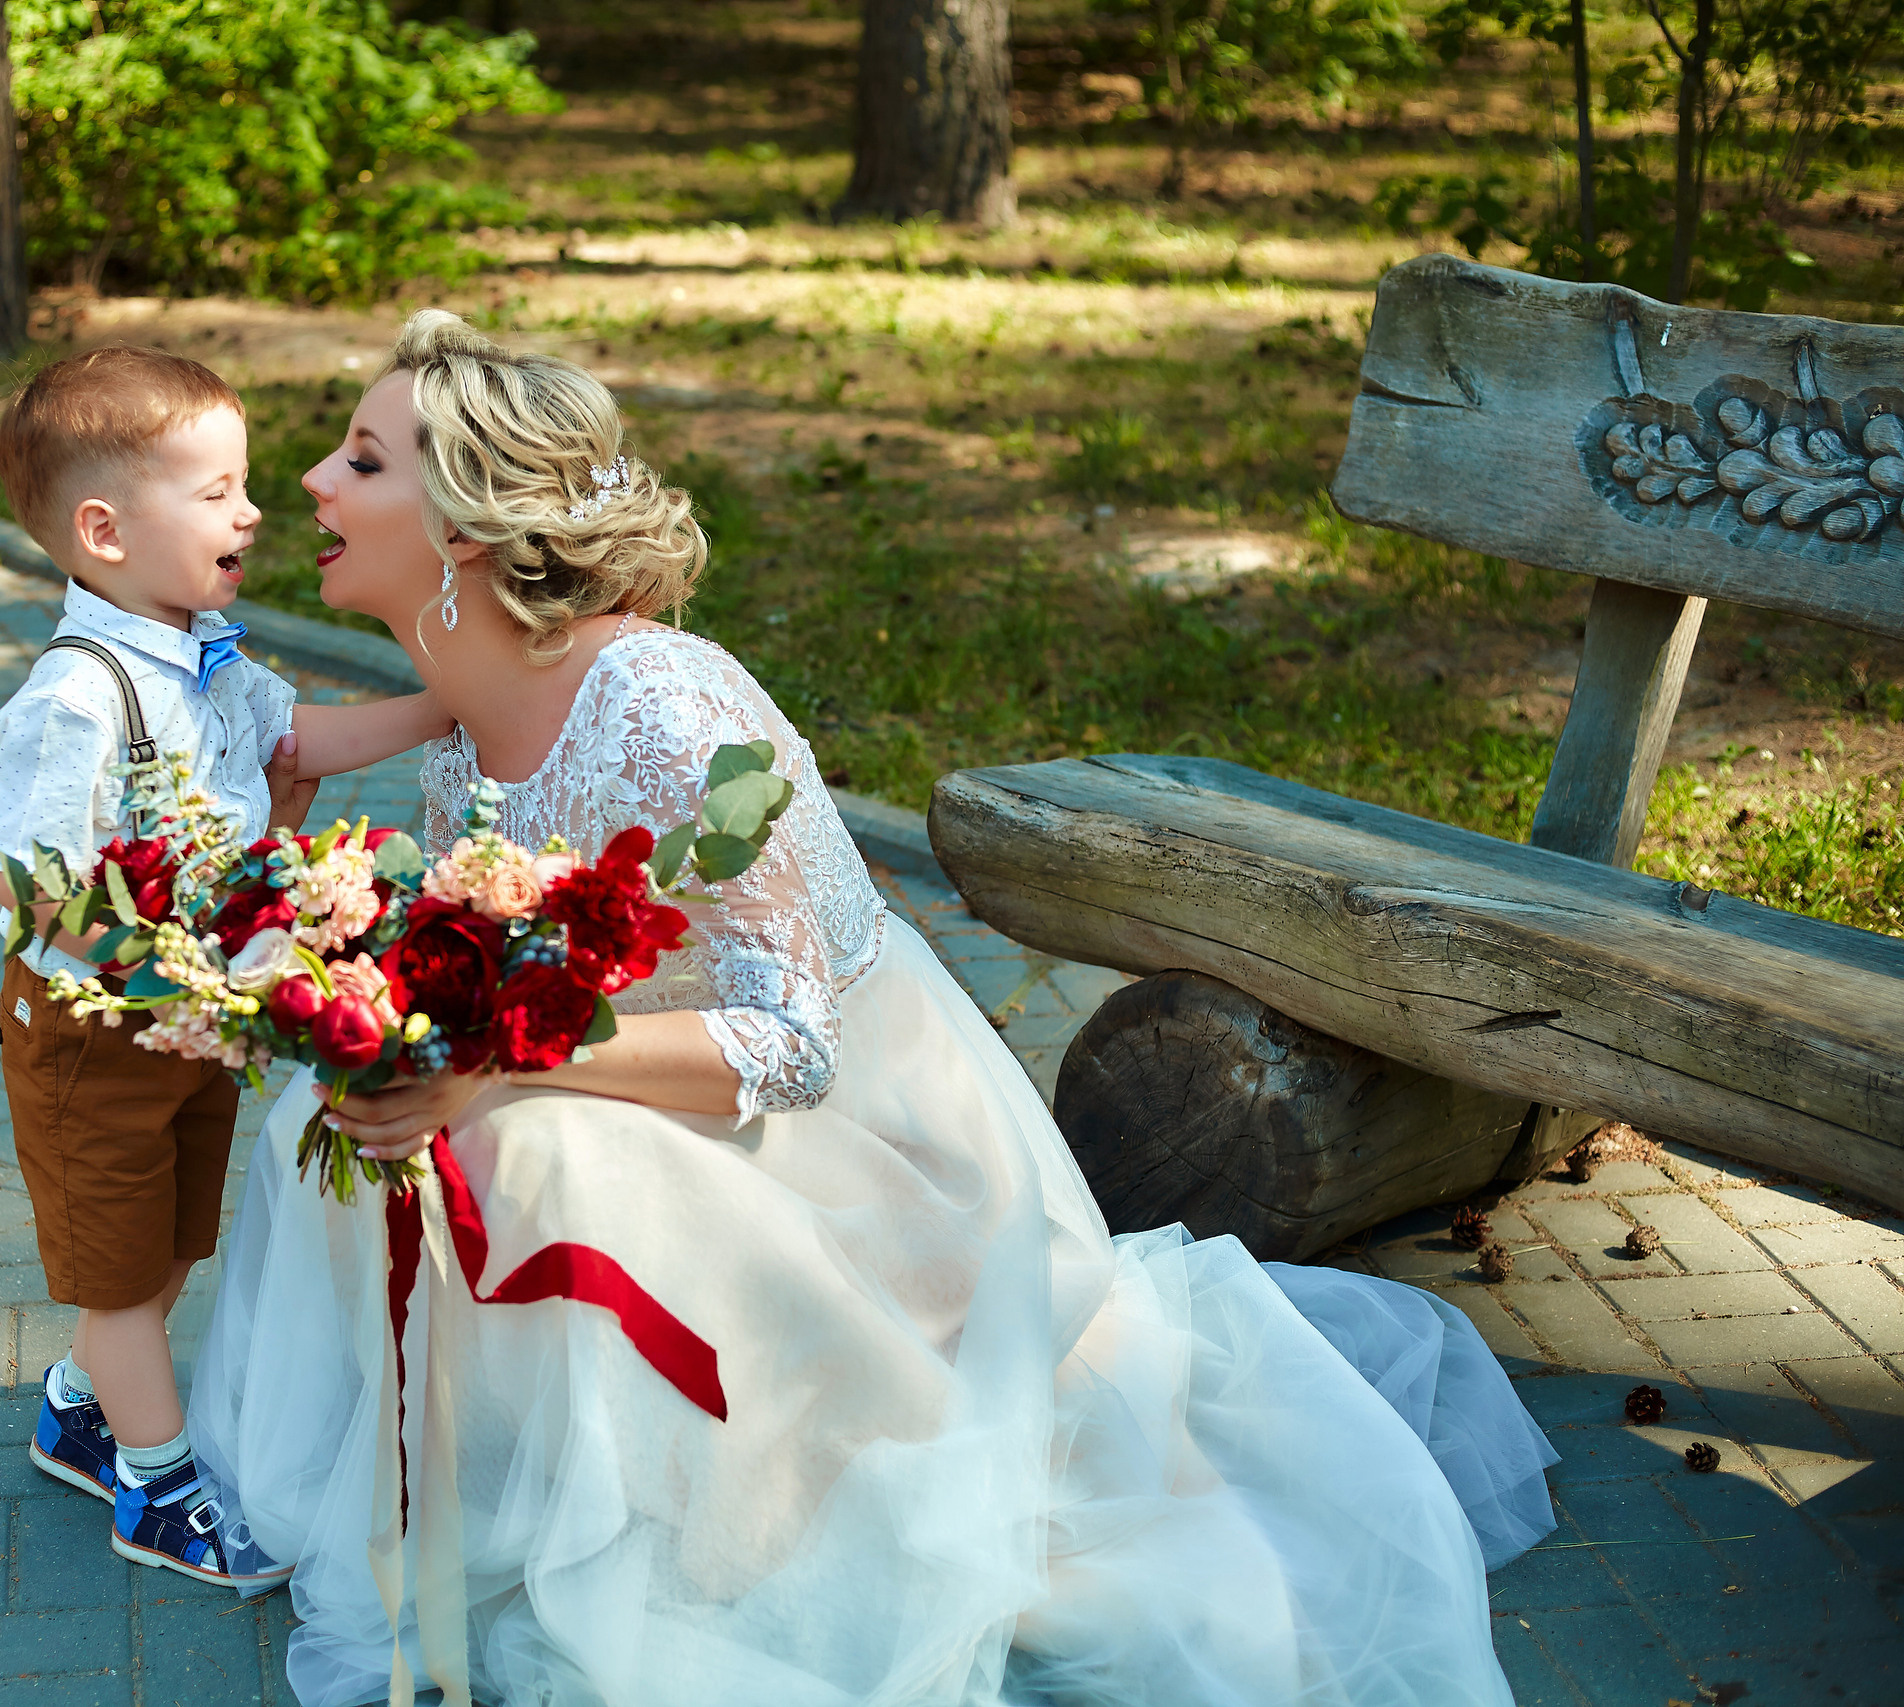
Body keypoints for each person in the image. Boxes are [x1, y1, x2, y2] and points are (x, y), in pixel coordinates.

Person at [188, 313, 1559, 1706]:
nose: (313, 479)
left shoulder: (663, 704)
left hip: (858, 1143)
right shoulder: (466, 723)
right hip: (671, 1078)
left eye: (362, 458)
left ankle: (742, 1506)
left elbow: (792, 1043)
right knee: (359, 1106)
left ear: (471, 528)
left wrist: (494, 1059)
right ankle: (540, 1491)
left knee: (530, 1146)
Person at [0, 346, 449, 1590]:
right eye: (216, 493)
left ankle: (78, 1410)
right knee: (124, 1276)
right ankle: (156, 1486)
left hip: (190, 1026)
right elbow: (22, 878)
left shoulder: (209, 658)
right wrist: (164, 958)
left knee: (175, 1238)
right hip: (94, 1029)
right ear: (105, 531)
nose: (251, 513)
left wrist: (442, 705)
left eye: (242, 486)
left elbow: (303, 739)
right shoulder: (77, 697)